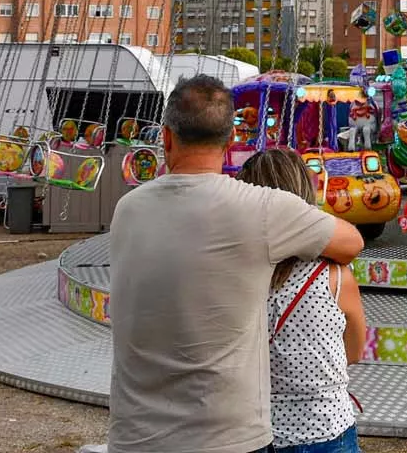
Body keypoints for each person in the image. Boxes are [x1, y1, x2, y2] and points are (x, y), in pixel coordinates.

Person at [108, 76, 364, 453]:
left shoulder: (127, 210)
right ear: (230, 142)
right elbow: (352, 242)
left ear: (166, 138)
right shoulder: (262, 209)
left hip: (137, 435)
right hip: (227, 436)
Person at [240, 148, 367, 453]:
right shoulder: (335, 277)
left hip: (256, 433)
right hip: (327, 430)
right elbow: (354, 351)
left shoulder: (236, 275)